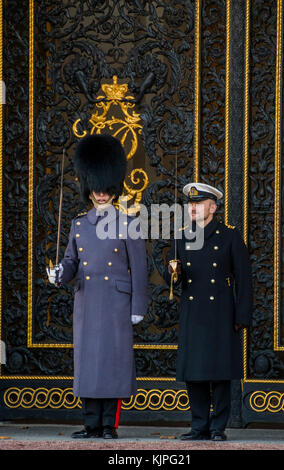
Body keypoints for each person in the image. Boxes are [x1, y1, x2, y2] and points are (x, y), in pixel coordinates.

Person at [47, 134, 148, 439]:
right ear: (89, 191)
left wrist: (138, 307)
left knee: (113, 364)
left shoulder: (128, 222)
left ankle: (108, 425)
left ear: (112, 191)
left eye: (105, 191)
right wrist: (59, 274)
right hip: (88, 300)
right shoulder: (79, 224)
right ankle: (91, 423)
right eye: (96, 191)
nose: (101, 196)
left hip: (116, 303)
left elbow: (140, 268)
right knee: (89, 363)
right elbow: (71, 261)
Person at [164, 182, 253, 441]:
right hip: (194, 310)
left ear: (213, 207)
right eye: (190, 204)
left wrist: (242, 316)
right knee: (195, 373)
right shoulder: (182, 235)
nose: (192, 207)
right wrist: (172, 272)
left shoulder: (229, 236)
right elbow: (172, 276)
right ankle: (199, 425)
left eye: (198, 203)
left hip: (221, 312)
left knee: (220, 373)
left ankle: (217, 428)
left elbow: (244, 279)